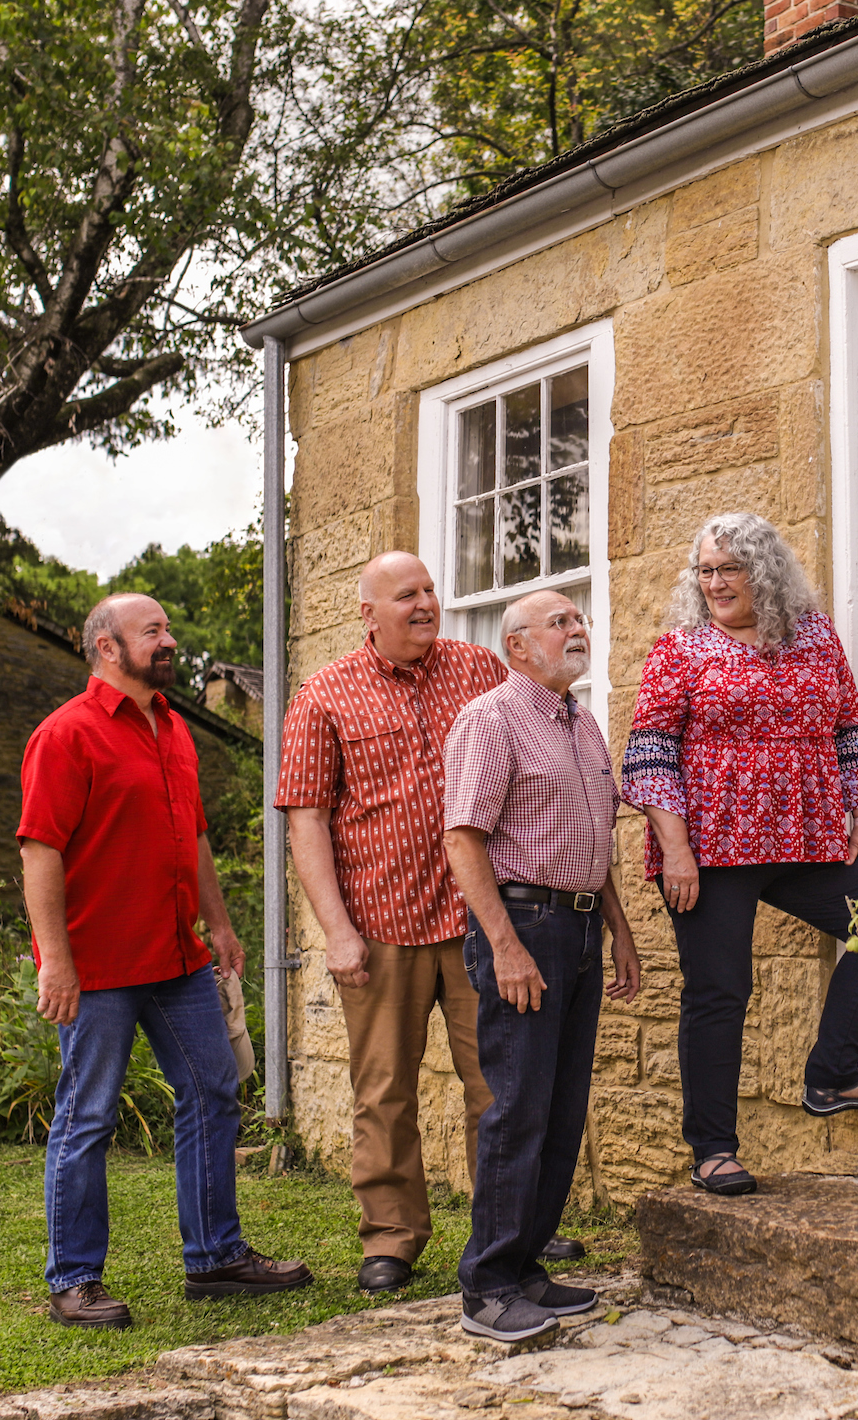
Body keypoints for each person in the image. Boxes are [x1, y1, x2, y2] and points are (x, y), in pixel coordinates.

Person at [276, 551, 585, 1287]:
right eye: (405, 595)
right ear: (368, 613)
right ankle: (390, 1237)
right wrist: (337, 931)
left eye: (429, 591)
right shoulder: (323, 697)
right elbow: (306, 822)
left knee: (504, 1084)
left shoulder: (479, 671)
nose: (424, 604)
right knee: (384, 1090)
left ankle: (512, 1226)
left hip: (483, 917)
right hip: (382, 922)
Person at [20, 592, 312, 1330]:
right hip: (99, 967)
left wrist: (217, 923)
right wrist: (54, 959)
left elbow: (196, 836)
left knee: (214, 1092)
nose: (170, 640)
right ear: (107, 648)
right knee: (87, 1117)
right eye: (152, 631)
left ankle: (215, 1258)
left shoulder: (173, 729)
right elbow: (40, 850)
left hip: (176, 958)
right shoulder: (65, 736)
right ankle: (75, 1279)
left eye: (169, 628)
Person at [619, 511, 858, 1198]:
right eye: (707, 570)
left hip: (806, 839)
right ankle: (713, 1149)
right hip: (711, 850)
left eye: (731, 568)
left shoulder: (813, 637)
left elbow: (851, 732)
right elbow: (651, 755)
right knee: (721, 993)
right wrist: (675, 850)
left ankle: (833, 1075)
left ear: (765, 570)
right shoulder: (681, 649)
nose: (716, 582)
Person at [441, 589, 642, 1341]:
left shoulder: (583, 724)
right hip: (523, 924)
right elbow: (463, 840)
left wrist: (619, 930)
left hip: (582, 926)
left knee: (562, 1110)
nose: (577, 628)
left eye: (579, 618)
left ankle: (527, 1268)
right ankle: (487, 1288)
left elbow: (596, 841)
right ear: (517, 647)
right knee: (518, 1106)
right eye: (559, 621)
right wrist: (504, 944)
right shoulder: (489, 720)